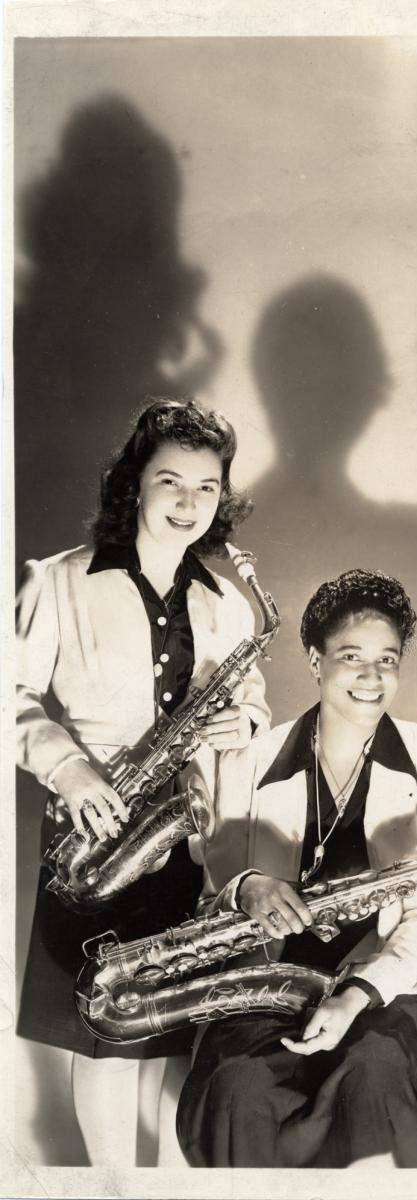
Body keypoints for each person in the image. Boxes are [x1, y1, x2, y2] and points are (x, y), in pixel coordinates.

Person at [16, 397, 270, 1167]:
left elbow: (250, 695)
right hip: (92, 828)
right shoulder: (59, 579)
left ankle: (146, 1184)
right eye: (171, 481)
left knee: (159, 1021)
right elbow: (10, 695)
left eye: (207, 486)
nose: (190, 502)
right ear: (135, 484)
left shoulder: (225, 599)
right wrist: (66, 765)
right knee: (101, 1028)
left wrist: (246, 722)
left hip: (178, 831)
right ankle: (111, 1185)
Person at [176, 569, 417, 1168]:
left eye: (388, 659)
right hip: (265, 992)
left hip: (380, 995)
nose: (372, 677)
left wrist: (357, 995)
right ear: (314, 660)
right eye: (351, 656)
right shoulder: (249, 759)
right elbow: (212, 897)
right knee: (241, 1090)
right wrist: (245, 887)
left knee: (376, 1076)